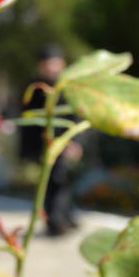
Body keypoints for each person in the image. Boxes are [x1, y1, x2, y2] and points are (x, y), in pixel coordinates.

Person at [18, 45, 82, 236]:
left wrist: (76, 142)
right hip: (44, 146)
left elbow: (78, 117)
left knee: (65, 181)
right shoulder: (34, 90)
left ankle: (67, 217)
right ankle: (55, 221)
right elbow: (27, 122)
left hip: (67, 143)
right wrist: (28, 151)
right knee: (52, 182)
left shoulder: (70, 88)